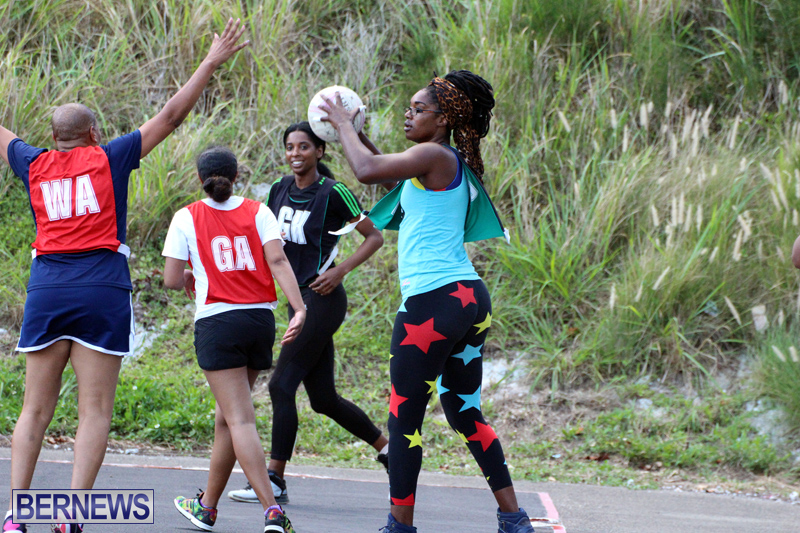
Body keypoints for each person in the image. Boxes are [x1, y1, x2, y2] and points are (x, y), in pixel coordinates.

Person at [0, 19, 248, 533]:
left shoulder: (33, 163)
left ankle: (16, 515)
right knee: (93, 411)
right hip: (102, 287)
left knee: (34, 411)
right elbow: (171, 116)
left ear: (52, 138)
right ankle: (71, 517)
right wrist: (210, 61)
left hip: (47, 288)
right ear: (93, 133)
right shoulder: (110, 156)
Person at [320, 71, 536, 533]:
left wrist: (340, 124)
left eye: (418, 109)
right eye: (409, 107)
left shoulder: (433, 154)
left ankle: (400, 526)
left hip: (432, 304)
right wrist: (357, 135)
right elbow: (386, 171)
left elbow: (366, 171)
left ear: (443, 120)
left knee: (404, 420)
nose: (408, 114)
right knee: (464, 412)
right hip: (469, 298)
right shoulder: (442, 161)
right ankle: (513, 518)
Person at [227, 121, 389, 505]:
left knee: (281, 385)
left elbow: (374, 236)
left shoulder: (334, 193)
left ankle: (275, 479)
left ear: (320, 151)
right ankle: (388, 450)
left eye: (303, 147)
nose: (295, 153)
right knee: (323, 399)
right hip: (296, 299)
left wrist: (340, 270)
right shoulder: (279, 189)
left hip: (322, 298)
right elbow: (264, 241)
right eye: (290, 147)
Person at [164, 146, 304, 533]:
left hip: (218, 322)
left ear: (199, 178)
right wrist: (299, 308)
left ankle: (272, 511)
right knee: (226, 417)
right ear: (237, 175)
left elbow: (172, 279)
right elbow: (278, 261)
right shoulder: (260, 212)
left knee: (239, 419)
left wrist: (191, 275)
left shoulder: (186, 216)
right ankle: (206, 507)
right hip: (259, 321)